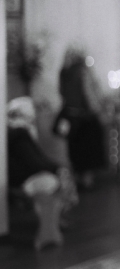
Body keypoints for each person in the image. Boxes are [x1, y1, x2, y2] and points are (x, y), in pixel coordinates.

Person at [7, 97, 78, 249]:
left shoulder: (14, 131)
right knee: (59, 179)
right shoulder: (20, 134)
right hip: (22, 179)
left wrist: (55, 167)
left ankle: (55, 220)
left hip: (20, 177)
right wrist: (57, 169)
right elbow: (34, 162)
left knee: (61, 174)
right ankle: (52, 226)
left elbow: (37, 159)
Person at [54, 45, 107, 189]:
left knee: (75, 150)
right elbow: (89, 95)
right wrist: (99, 111)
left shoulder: (64, 72)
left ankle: (77, 178)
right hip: (85, 118)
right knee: (89, 151)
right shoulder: (83, 71)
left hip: (71, 117)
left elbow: (61, 92)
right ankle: (87, 181)